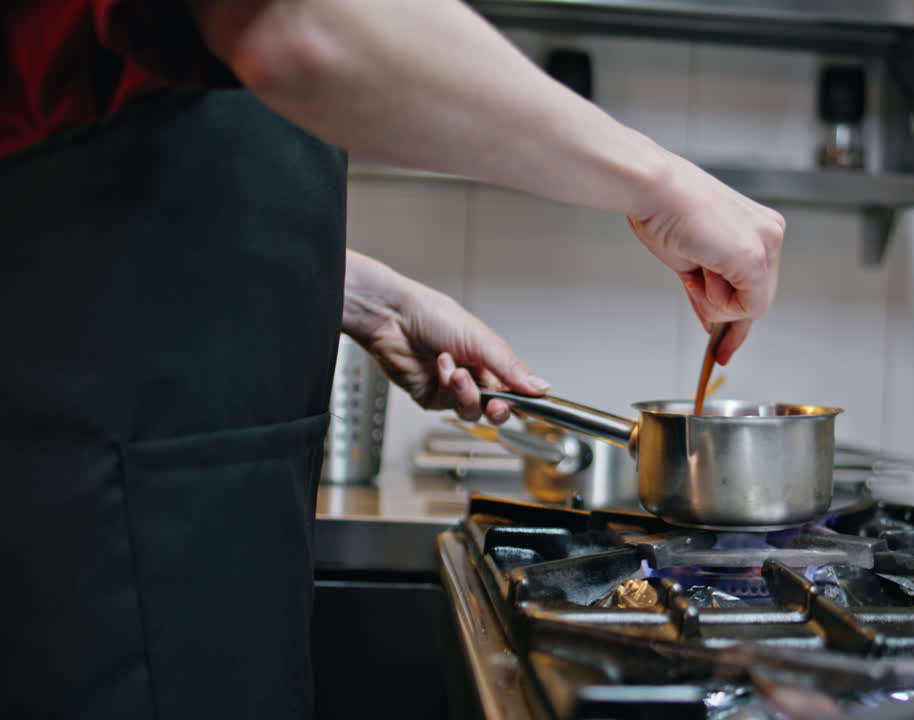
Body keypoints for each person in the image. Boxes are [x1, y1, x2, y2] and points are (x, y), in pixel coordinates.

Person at [0, 1, 784, 718]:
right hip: (94, 526)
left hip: (200, 519)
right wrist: (654, 180)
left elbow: (149, 190)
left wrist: (368, 299)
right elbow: (298, 23)